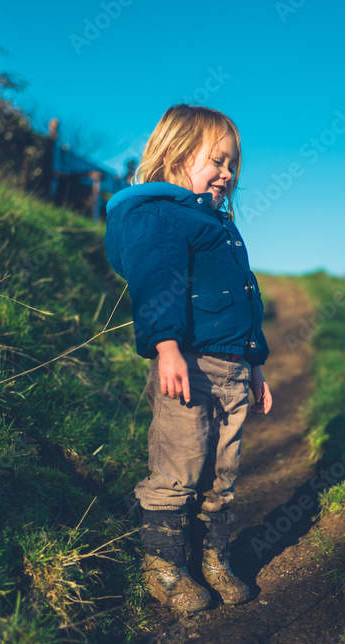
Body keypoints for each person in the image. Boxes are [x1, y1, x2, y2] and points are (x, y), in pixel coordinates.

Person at [104, 104, 272, 612]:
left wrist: (256, 365)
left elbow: (247, 301)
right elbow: (157, 282)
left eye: (232, 165)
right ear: (176, 156)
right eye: (217, 161)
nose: (227, 173)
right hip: (189, 368)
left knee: (222, 472)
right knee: (179, 467)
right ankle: (165, 567)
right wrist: (167, 347)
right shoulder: (158, 214)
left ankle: (212, 559)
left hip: (234, 372)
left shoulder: (222, 226)